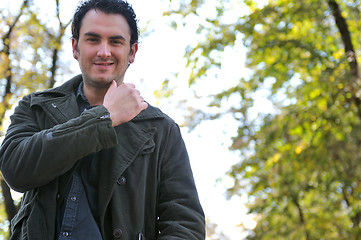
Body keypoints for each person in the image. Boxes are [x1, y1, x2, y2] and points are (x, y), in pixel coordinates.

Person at [0, 0, 205, 239]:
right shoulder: (36, 107)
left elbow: (185, 226)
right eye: (93, 39)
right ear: (75, 47)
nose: (104, 51)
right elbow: (15, 171)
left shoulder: (161, 130)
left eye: (115, 41)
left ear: (132, 52)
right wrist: (103, 119)